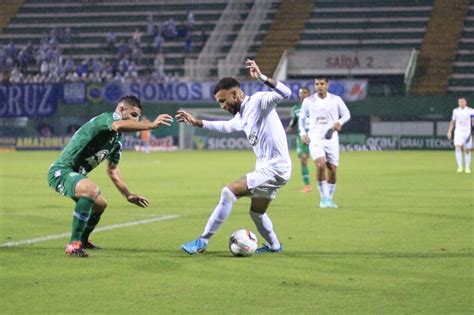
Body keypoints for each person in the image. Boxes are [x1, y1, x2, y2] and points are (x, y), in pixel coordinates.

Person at [176, 59, 292, 255]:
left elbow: (287, 93)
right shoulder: (242, 116)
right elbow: (225, 126)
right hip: (269, 169)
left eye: (223, 100)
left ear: (236, 94)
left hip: (276, 167)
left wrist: (262, 77)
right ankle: (274, 246)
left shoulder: (259, 101)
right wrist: (197, 123)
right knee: (257, 213)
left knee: (228, 192)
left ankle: (202, 241)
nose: (222, 106)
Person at [47, 95, 173, 257]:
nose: (136, 119)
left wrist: (128, 195)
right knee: (91, 191)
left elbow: (112, 170)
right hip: (61, 171)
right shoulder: (109, 118)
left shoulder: (117, 141)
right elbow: (118, 125)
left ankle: (84, 239)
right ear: (121, 109)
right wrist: (151, 125)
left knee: (100, 205)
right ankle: (73, 244)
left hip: (76, 174)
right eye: (134, 115)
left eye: (138, 117)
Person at [298, 76, 351, 208]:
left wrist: (339, 122)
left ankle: (330, 199)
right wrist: (303, 133)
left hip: (331, 137)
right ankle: (324, 198)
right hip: (315, 137)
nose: (319, 86)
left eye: (322, 84)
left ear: (327, 85)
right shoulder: (308, 101)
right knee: (320, 164)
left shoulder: (336, 100)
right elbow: (302, 119)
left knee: (332, 169)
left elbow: (347, 114)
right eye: (317, 84)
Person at [286, 87, 312, 192]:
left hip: (314, 136)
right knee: (303, 158)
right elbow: (294, 121)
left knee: (321, 161)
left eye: (305, 93)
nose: (303, 95)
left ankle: (325, 184)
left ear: (309, 94)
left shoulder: (315, 106)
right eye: (301, 93)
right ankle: (307, 185)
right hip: (301, 136)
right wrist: (290, 127)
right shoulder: (296, 108)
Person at [447, 96, 473, 173]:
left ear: (465, 102)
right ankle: (460, 166)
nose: (461, 103)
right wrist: (449, 131)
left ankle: (467, 167)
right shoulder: (455, 111)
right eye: (460, 102)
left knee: (467, 150)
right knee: (457, 148)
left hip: (467, 133)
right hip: (458, 132)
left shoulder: (471, 111)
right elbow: (453, 122)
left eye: (462, 102)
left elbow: (473, 121)